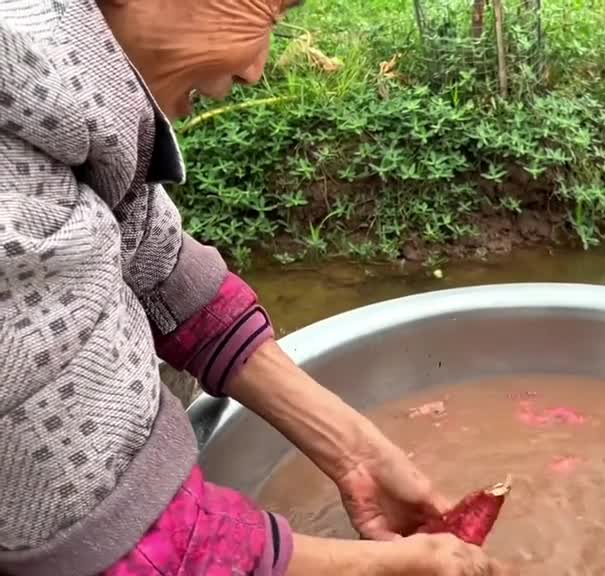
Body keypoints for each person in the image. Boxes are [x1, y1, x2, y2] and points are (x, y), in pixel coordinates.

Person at [0, 1, 508, 575]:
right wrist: (390, 567)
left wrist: (357, 454)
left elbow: (154, 262)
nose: (256, 71)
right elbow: (119, 546)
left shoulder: (61, 101)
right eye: (265, 7)